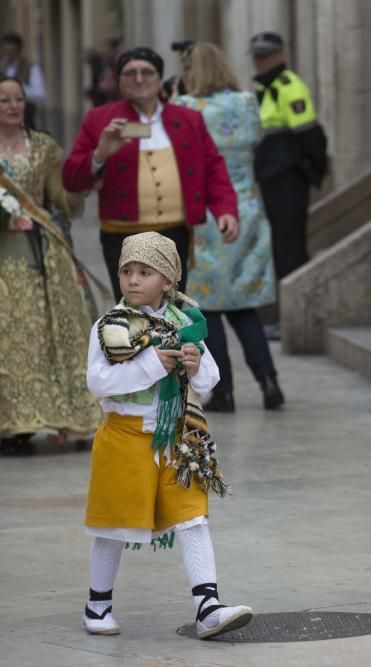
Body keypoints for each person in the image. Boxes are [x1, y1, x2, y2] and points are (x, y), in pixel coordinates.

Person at [83, 231, 252, 639]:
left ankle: (207, 605)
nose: (133, 280)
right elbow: (98, 381)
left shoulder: (185, 323)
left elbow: (210, 380)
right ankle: (97, 605)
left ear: (168, 280)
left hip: (179, 435)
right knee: (114, 525)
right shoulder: (109, 328)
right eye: (127, 271)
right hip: (124, 437)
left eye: (145, 272)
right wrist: (154, 365)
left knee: (192, 517)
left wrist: (195, 367)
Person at [62, 46, 240, 302]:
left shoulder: (188, 119)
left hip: (174, 232)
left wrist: (225, 210)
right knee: (134, 309)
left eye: (147, 72)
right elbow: (70, 179)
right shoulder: (99, 119)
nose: (139, 78)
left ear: (160, 78)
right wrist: (99, 154)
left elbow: (213, 167)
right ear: (120, 80)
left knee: (173, 308)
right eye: (130, 73)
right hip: (122, 234)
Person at [175, 43, 283, 413]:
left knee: (209, 307)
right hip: (247, 206)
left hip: (208, 210)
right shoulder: (247, 102)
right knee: (243, 302)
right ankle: (268, 378)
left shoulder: (188, 108)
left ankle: (223, 391)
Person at [0, 75, 101, 456]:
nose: (12, 106)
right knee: (8, 341)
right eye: (4, 100)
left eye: (18, 99)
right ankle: (11, 426)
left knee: (45, 335)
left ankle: (59, 416)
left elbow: (62, 197)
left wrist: (80, 187)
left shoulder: (42, 147)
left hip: (40, 254)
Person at [250, 31, 328, 283]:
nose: (259, 61)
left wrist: (314, 171)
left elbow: (310, 134)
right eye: (256, 56)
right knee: (281, 241)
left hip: (287, 173)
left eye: (265, 55)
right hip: (272, 172)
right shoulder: (265, 87)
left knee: (290, 240)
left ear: (280, 55)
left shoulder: (288, 85)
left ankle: (298, 294)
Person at [0, 33, 46, 128]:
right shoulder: (1, 67)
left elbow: (40, 94)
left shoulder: (31, 68)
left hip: (25, 121)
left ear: (19, 50)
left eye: (12, 51)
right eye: (6, 51)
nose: (9, 55)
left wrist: (17, 90)